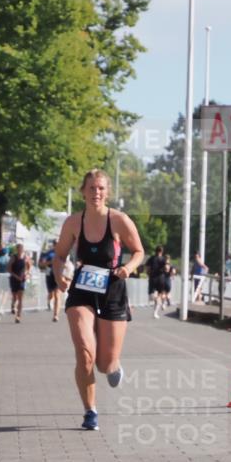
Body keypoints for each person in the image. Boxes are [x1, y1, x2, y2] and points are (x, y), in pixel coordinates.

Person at [54, 169, 144, 431]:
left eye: (101, 188)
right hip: (82, 290)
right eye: (91, 188)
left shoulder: (119, 220)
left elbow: (139, 251)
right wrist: (60, 275)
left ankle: (114, 364)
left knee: (105, 364)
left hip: (113, 289)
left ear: (108, 192)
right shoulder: (73, 222)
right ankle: (90, 411)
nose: (96, 193)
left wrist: (128, 268)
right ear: (83, 191)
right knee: (85, 355)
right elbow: (59, 256)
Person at [39, 243, 66, 322]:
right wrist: (51, 262)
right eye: (55, 244)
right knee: (51, 294)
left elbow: (65, 263)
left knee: (57, 294)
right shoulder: (48, 253)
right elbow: (41, 264)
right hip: (49, 274)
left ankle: (56, 315)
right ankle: (49, 301)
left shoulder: (62, 253)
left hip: (58, 274)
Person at [8, 243, 30, 323]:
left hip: (22, 279)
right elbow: (9, 269)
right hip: (14, 278)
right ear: (17, 249)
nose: (20, 250)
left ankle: (18, 316)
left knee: (20, 299)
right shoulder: (13, 257)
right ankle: (13, 305)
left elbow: (29, 267)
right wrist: (16, 276)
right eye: (19, 249)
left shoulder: (26, 257)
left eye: (21, 248)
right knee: (15, 297)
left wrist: (27, 274)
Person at [145, 246, 167, 318]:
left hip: (153, 278)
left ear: (155, 251)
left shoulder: (151, 258)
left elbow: (147, 268)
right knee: (160, 295)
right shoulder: (164, 259)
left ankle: (158, 303)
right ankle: (158, 308)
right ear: (162, 252)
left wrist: (148, 274)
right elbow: (167, 268)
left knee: (151, 295)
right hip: (161, 278)